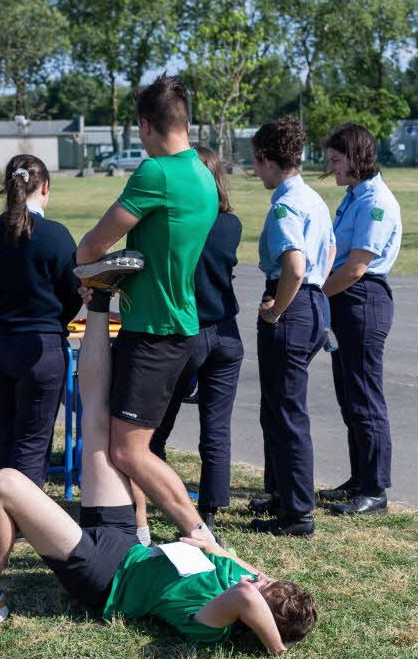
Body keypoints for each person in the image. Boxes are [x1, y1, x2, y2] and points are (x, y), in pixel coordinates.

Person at [0, 284, 317, 654]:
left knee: (4, 484)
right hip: (128, 545)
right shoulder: (245, 584)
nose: (257, 579)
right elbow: (234, 567)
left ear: (254, 618)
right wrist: (241, 568)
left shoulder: (213, 622)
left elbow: (248, 597)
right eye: (265, 580)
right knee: (99, 421)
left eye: (264, 587)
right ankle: (99, 299)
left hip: (104, 576)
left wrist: (276, 646)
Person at [75, 74, 219, 545]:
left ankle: (200, 533)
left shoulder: (156, 173)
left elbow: (93, 243)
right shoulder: (202, 172)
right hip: (173, 326)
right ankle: (137, 537)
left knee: (130, 450)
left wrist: (93, 273)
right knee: (133, 444)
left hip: (155, 331)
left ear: (144, 126)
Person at [141, 145, 243, 537]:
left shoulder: (184, 222)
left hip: (189, 330)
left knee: (156, 426)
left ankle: (158, 496)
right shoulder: (230, 224)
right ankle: (211, 511)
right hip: (227, 333)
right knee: (216, 428)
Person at [247, 118, 335, 537]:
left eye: (256, 164)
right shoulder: (313, 198)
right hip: (316, 302)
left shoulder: (284, 205)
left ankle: (298, 512)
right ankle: (283, 494)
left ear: (267, 160)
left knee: (286, 412)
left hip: (293, 305)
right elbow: (330, 247)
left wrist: (276, 310)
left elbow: (294, 267)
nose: (254, 172)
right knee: (279, 408)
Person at [0, 155, 82, 486]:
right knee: (33, 442)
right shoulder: (55, 235)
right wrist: (57, 321)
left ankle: (3, 511)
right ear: (45, 187)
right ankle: (23, 521)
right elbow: (74, 291)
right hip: (39, 346)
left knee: (8, 432)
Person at [318, 123, 402, 516]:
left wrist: (315, 296)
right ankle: (358, 479)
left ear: (356, 157)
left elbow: (355, 267)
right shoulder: (355, 196)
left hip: (361, 298)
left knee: (366, 398)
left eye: (336, 160)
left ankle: (375, 490)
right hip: (345, 300)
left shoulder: (374, 202)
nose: (332, 168)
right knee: (350, 397)